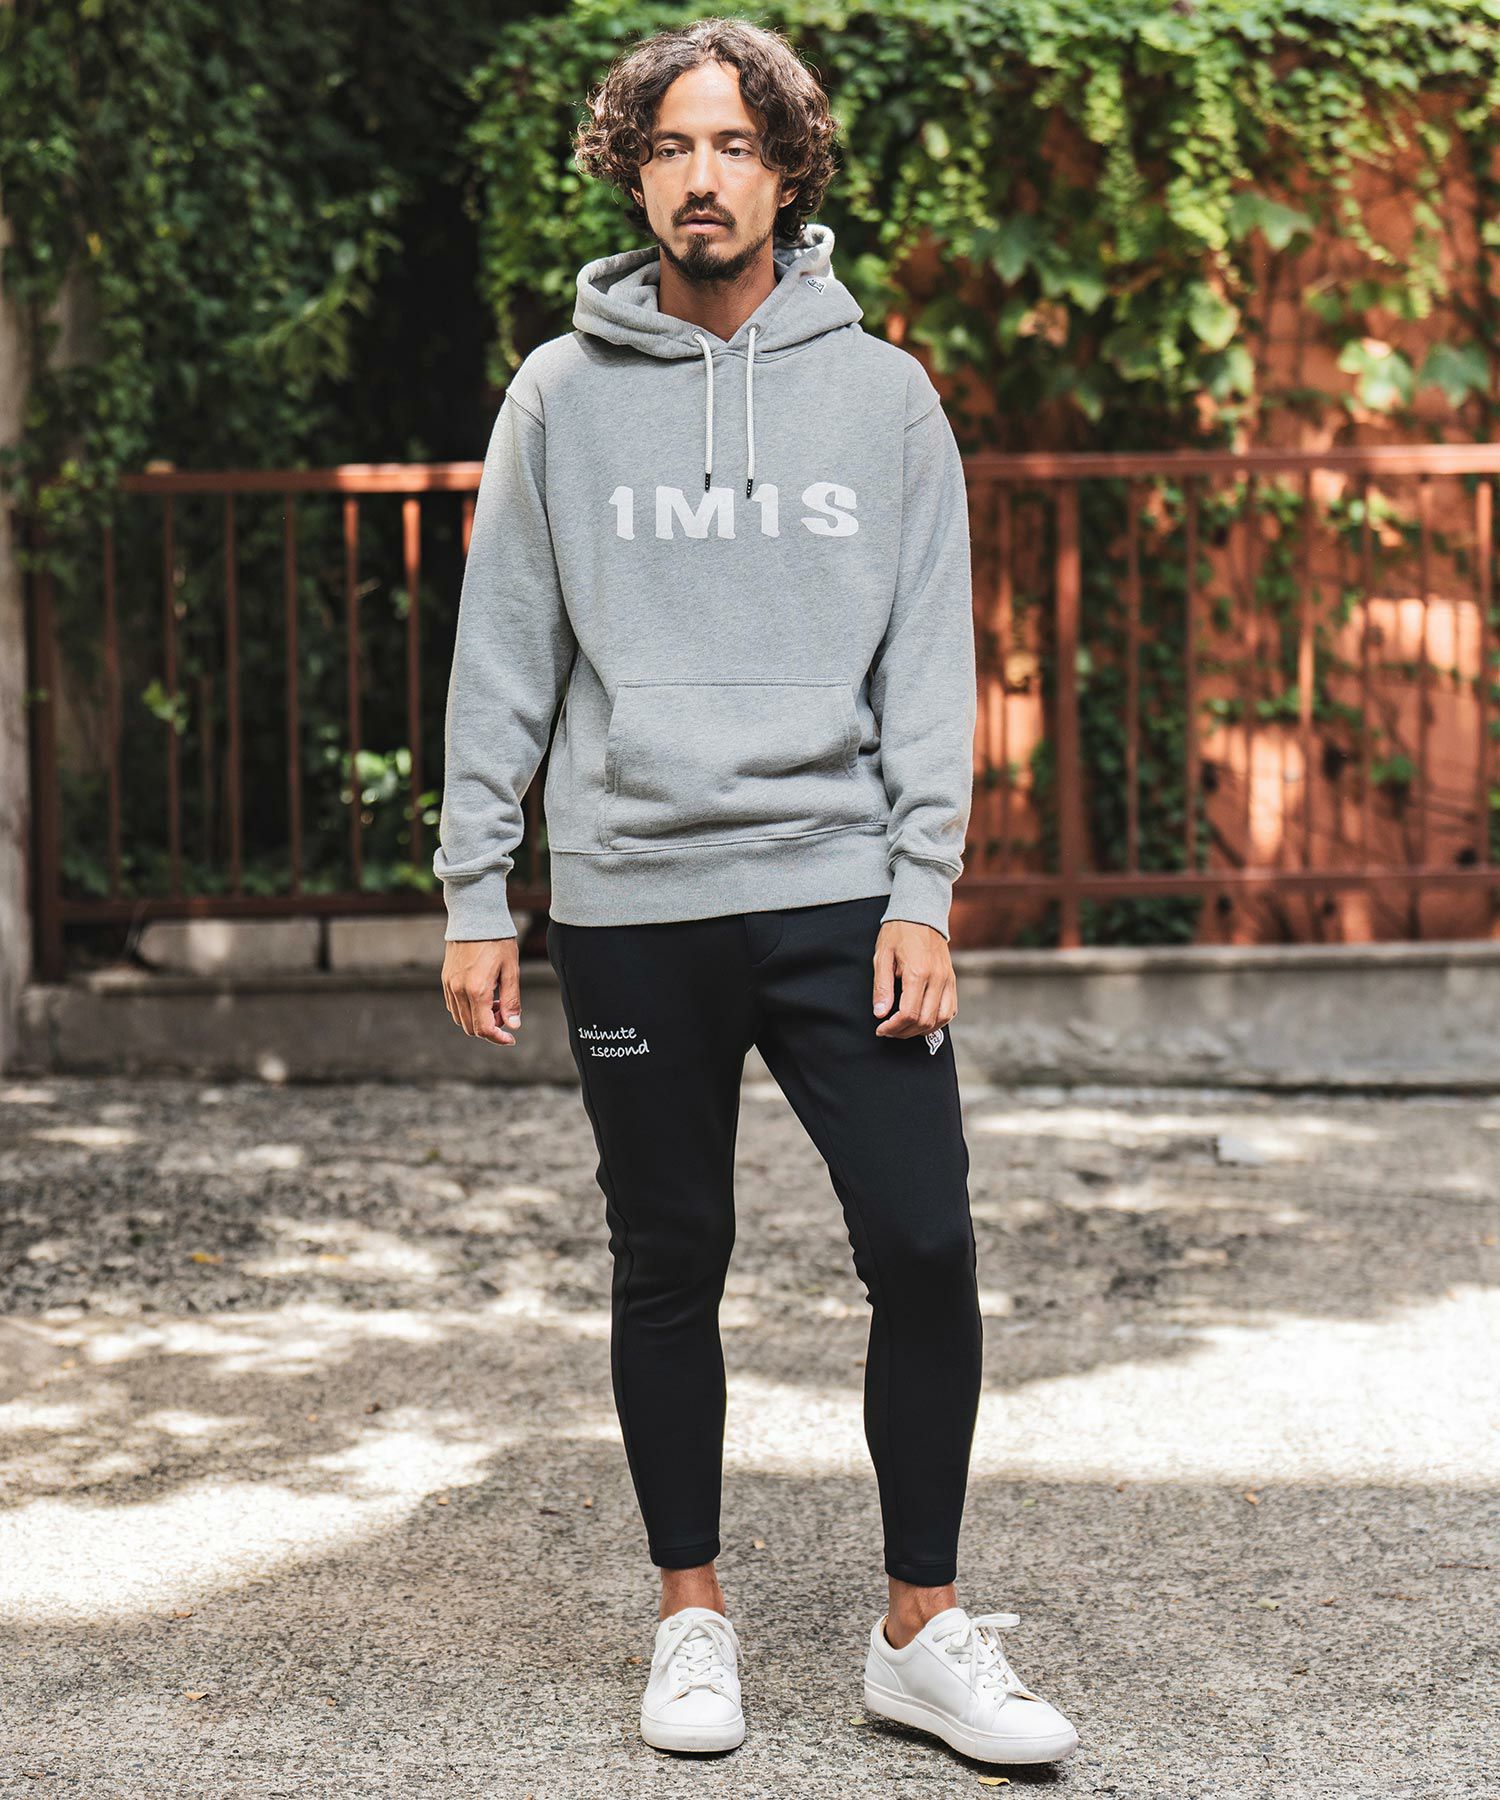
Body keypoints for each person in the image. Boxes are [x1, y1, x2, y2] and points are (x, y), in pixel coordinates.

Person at [434, 15, 1078, 1771]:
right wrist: (478, 884)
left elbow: (927, 658)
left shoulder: (883, 395)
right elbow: (506, 650)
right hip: (636, 896)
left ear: (787, 170)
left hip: (840, 890)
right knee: (670, 1255)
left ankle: (921, 1632)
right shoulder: (559, 396)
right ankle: (691, 1616)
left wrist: (923, 887)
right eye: (670, 147)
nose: (700, 177)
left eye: (732, 145)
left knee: (925, 1240)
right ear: (631, 173)